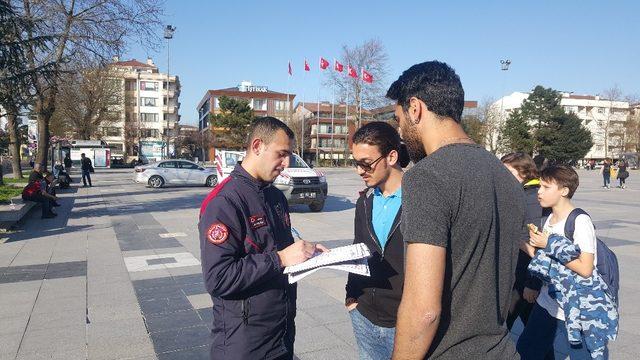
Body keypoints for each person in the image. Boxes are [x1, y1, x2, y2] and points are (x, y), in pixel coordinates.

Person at [386, 61, 524, 359]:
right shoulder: (505, 177)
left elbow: (423, 311)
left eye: (399, 120)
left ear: (414, 108)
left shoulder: (427, 176)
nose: (400, 131)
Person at [199, 116, 329, 360]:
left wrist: (306, 253)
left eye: (289, 154)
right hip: (244, 343)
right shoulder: (224, 202)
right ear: (257, 146)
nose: (286, 163)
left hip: (281, 332)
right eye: (281, 154)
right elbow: (218, 279)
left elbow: (277, 248)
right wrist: (280, 259)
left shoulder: (275, 196)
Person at [517, 165, 615, 359]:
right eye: (540, 186)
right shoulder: (548, 219)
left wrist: (548, 244)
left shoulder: (579, 221)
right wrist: (522, 244)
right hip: (548, 303)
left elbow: (586, 268)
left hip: (577, 309)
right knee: (526, 351)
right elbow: (548, 262)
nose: (539, 191)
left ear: (564, 191)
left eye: (546, 187)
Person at [345, 122, 405, 360]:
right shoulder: (365, 201)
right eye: (356, 163)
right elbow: (357, 248)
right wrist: (352, 297)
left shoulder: (420, 200)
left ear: (391, 156)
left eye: (366, 163)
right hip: (364, 314)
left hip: (403, 321)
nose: (360, 171)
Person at [501, 152, 547, 330]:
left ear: (524, 172)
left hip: (523, 275)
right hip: (517, 272)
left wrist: (532, 283)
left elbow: (534, 244)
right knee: (533, 331)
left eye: (507, 172)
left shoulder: (531, 198)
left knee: (506, 325)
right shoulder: (522, 193)